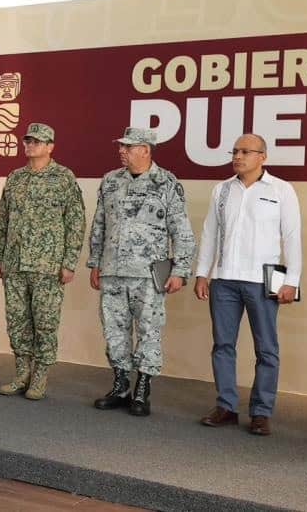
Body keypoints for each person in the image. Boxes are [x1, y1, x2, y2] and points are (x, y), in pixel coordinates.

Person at [193, 133, 302, 436]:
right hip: (225, 278)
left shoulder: (281, 190)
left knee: (267, 348)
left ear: (262, 157)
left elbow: (292, 237)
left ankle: (261, 412)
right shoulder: (222, 190)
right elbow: (211, 234)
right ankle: (226, 405)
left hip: (265, 278)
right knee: (223, 345)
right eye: (235, 151)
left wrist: (291, 281)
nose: (238, 156)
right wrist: (203, 273)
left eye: (246, 151)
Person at [87, 127, 195, 416]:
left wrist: (181, 269)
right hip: (112, 269)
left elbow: (181, 230)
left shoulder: (166, 182)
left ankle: (143, 388)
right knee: (113, 329)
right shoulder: (110, 181)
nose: (121, 151)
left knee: (149, 330)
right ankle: (121, 384)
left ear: (145, 150)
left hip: (149, 273)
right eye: (121, 146)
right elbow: (99, 224)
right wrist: (95, 262)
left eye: (128, 147)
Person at [0, 123, 85, 400]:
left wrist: (69, 262)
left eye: (36, 141)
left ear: (50, 146)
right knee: (17, 320)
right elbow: (3, 218)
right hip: (15, 264)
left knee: (45, 322)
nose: (30, 145)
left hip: (48, 265)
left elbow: (76, 221)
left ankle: (40, 376)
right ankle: (22, 373)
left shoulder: (63, 178)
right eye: (27, 141)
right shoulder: (16, 177)